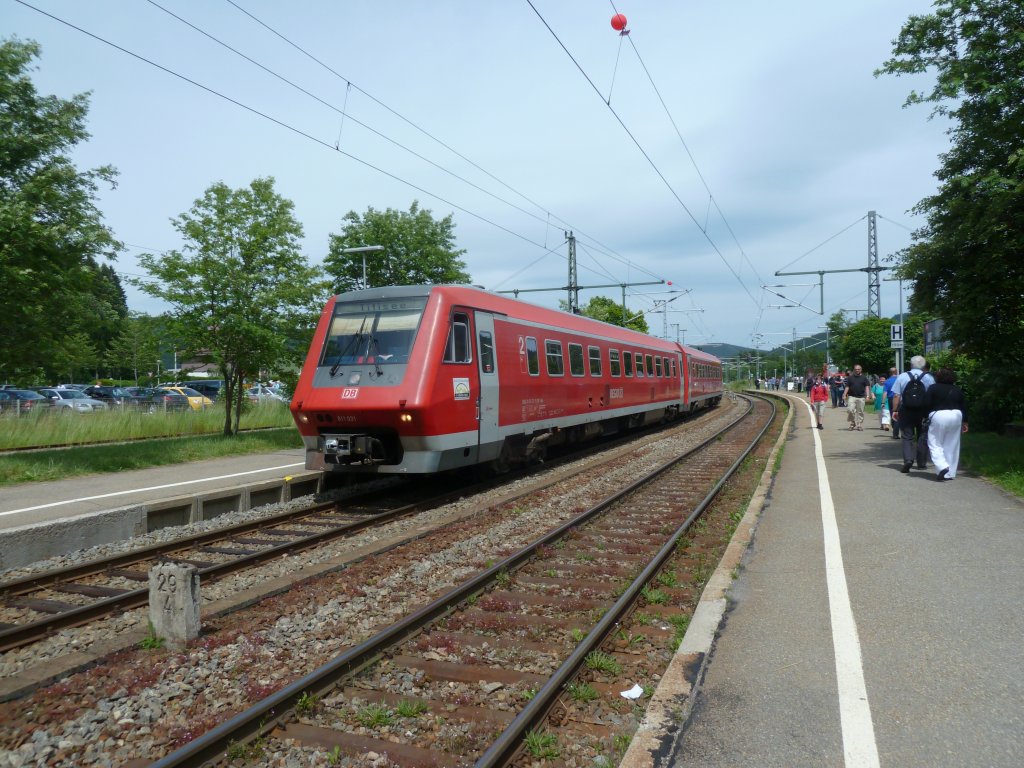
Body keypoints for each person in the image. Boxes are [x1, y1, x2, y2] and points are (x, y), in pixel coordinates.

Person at [891, 355, 936, 473]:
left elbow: (896, 395)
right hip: (923, 410)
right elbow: (932, 396)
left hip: (906, 409)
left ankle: (908, 460)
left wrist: (895, 410)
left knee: (907, 435)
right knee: (922, 435)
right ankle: (921, 463)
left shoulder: (902, 376)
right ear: (924, 365)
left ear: (910, 365)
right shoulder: (928, 378)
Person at [925, 368, 968, 480]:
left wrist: (925, 417)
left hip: (939, 415)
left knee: (935, 443)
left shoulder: (933, 388)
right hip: (956, 416)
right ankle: (950, 473)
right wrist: (965, 422)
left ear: (937, 377)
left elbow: (926, 404)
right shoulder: (957, 389)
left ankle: (942, 466)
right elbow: (964, 406)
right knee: (952, 445)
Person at [843, 364, 871, 431]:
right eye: (856, 369)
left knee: (860, 411)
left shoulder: (864, 378)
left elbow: (867, 387)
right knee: (850, 409)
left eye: (858, 369)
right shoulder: (850, 378)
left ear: (861, 370)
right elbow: (847, 387)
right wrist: (844, 394)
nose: (857, 370)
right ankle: (852, 423)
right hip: (851, 396)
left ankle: (859, 425)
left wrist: (867, 395)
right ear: (854, 370)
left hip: (861, 397)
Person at [882, 366, 900, 439]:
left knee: (893, 414)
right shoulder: (900, 379)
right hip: (899, 398)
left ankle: (895, 432)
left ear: (890, 373)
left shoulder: (887, 381)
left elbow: (885, 392)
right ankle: (898, 431)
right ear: (896, 372)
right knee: (899, 415)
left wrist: (883, 402)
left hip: (890, 399)